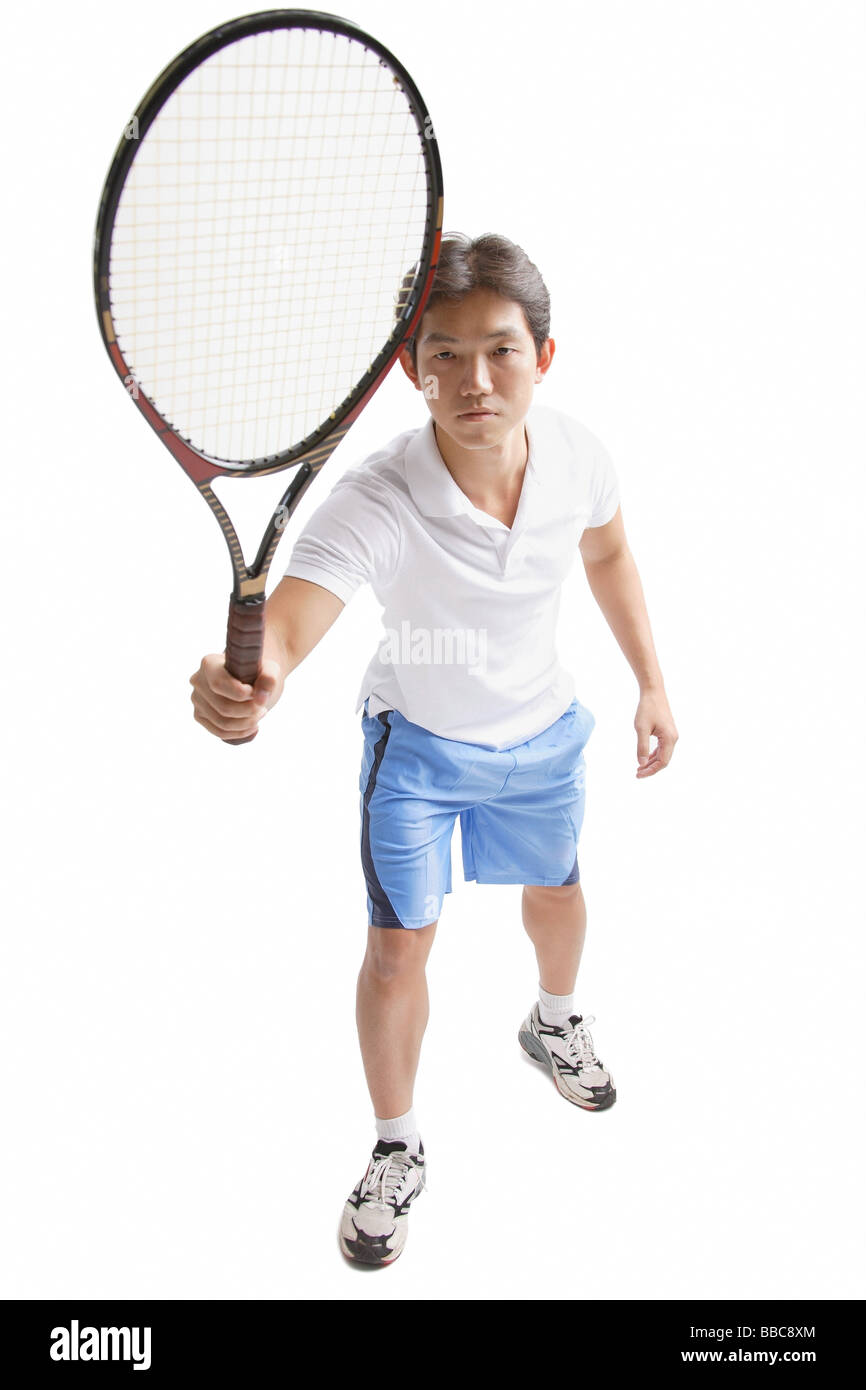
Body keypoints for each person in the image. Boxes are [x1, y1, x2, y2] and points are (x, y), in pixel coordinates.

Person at [189, 233, 679, 1267]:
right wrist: (254, 677)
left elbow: (608, 550)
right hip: (413, 749)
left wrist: (650, 680)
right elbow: (289, 621)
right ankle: (396, 1145)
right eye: (442, 353)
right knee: (396, 947)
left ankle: (552, 1019)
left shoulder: (580, 455)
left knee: (556, 891)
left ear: (542, 359)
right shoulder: (378, 496)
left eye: (498, 350)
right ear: (410, 368)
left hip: (544, 732)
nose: (471, 378)